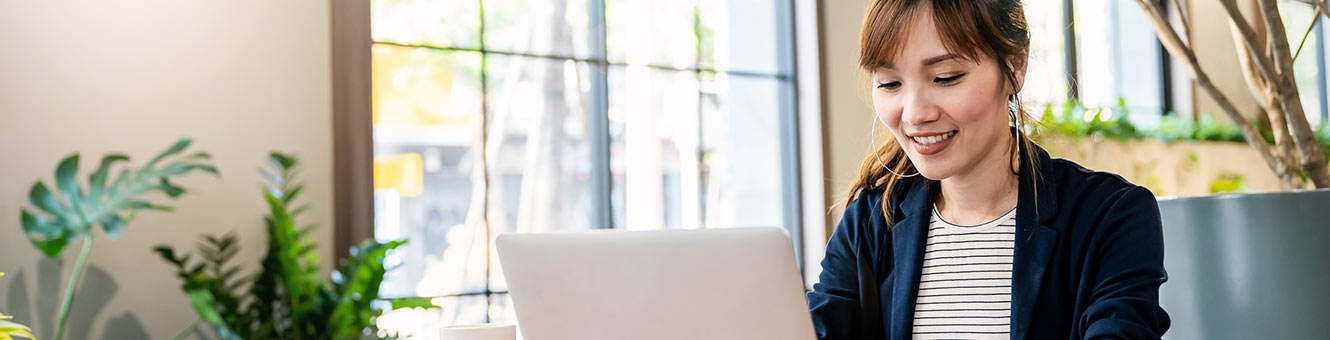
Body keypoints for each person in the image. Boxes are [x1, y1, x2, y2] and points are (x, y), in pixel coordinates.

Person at [805, 1, 1171, 339]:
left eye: (946, 77)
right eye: (890, 83)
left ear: (1015, 65)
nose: (915, 114)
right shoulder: (871, 220)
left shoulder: (1109, 216)